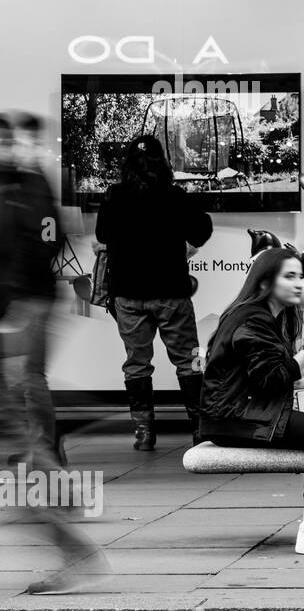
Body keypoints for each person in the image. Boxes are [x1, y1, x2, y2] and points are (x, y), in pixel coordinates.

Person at [0, 114, 112, 593]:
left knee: (18, 426)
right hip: (20, 313)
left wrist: (18, 313)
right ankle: (59, 503)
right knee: (18, 430)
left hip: (19, 314)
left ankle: (68, 534)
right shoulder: (26, 183)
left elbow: (39, 247)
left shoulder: (29, 184)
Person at [198, 248, 304, 556]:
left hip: (237, 412)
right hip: (232, 419)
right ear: (264, 283)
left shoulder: (264, 317)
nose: (300, 283)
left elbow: (268, 378)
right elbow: (270, 380)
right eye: (289, 276)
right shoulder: (252, 320)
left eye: (301, 276)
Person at [95, 135, 213, 450]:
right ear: (164, 162)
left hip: (128, 295)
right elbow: (203, 230)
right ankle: (201, 430)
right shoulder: (175, 196)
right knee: (189, 360)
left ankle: (144, 433)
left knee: (136, 362)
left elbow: (102, 234)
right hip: (171, 293)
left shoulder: (114, 196)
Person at [0, 112, 61, 467]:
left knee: (28, 376)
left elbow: (49, 235)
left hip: (30, 296)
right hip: (14, 296)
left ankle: (43, 452)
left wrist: (21, 280)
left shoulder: (32, 183)